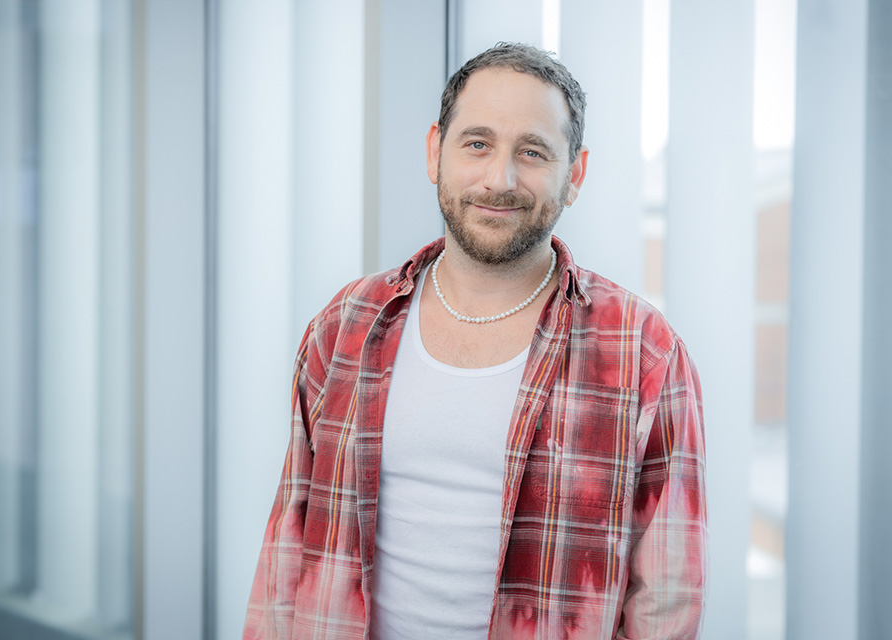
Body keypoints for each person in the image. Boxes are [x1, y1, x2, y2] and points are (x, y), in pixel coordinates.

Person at [244, 42, 707, 639]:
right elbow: (288, 547)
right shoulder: (345, 325)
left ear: (576, 175)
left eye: (533, 152)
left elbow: (667, 596)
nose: (501, 179)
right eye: (477, 143)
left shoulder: (644, 351)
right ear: (436, 151)